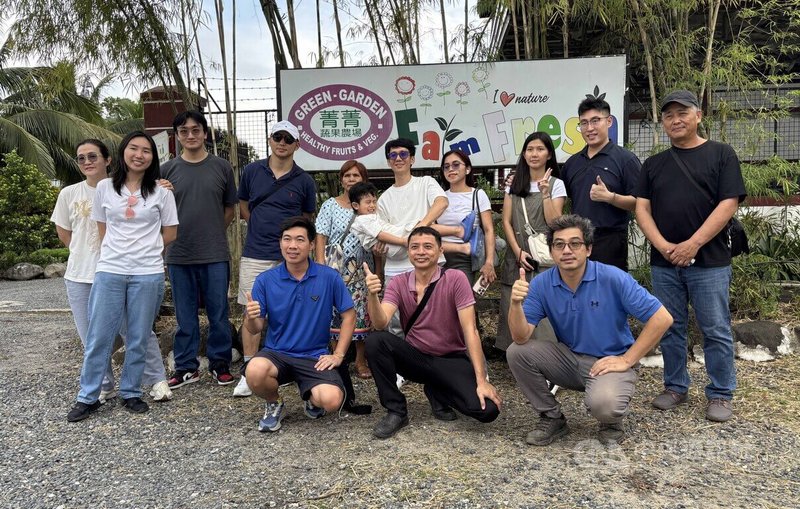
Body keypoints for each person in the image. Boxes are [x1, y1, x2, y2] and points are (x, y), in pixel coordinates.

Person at [506, 214, 673, 445]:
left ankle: (611, 422)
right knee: (517, 352)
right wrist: (515, 304)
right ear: (552, 251)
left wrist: (627, 359)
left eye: (575, 243)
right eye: (559, 244)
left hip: (610, 361)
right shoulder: (542, 284)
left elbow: (662, 318)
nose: (567, 250)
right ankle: (552, 417)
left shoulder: (612, 278)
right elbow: (520, 336)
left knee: (604, 405)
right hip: (569, 358)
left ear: (588, 249)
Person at [635, 90, 746, 423]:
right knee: (669, 326)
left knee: (715, 328)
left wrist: (692, 244)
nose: (675, 120)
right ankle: (675, 386)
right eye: (668, 115)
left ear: (698, 116)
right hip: (664, 262)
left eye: (682, 113)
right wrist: (663, 245)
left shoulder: (721, 154)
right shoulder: (653, 164)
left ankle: (721, 392)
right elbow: (642, 208)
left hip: (710, 261)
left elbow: (729, 203)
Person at [67, 131, 179, 422]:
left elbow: (170, 232)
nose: (139, 155)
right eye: (133, 148)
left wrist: (147, 249)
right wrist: (118, 252)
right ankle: (88, 396)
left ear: (153, 158)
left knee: (138, 336)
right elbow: (102, 228)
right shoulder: (105, 187)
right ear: (123, 152)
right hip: (110, 270)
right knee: (98, 335)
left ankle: (131, 392)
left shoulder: (162, 192)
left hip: (148, 273)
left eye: (146, 150)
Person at [364, 226, 502, 439]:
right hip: (415, 358)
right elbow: (381, 322)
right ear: (408, 252)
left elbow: (471, 330)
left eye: (428, 246)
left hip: (450, 359)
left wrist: (481, 379)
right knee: (375, 341)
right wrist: (372, 295)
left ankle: (438, 391)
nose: (421, 252)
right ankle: (396, 410)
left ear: (440, 251)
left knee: (487, 411)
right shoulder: (399, 282)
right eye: (415, 247)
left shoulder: (455, 278)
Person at [243, 217, 355, 432]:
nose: (292, 245)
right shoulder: (266, 280)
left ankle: (311, 397)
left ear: (311, 245)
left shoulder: (329, 277)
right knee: (254, 371)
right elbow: (255, 328)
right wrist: (250, 317)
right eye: (287, 239)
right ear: (280, 243)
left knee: (331, 400)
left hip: (314, 355)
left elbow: (349, 315)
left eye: (299, 240)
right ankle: (274, 402)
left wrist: (339, 354)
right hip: (276, 353)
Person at [234, 120, 317, 397]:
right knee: (252, 309)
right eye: (278, 137)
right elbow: (244, 206)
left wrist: (292, 244)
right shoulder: (251, 171)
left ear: (297, 145)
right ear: (270, 140)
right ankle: (249, 368)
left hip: (290, 257)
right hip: (256, 252)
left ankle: (288, 365)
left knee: (292, 309)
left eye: (288, 139)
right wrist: (259, 226)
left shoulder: (304, 180)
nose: (282, 143)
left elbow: (306, 218)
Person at [161, 111, 238, 390]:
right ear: (177, 136)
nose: (190, 135)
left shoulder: (222, 167)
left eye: (196, 130)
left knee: (218, 312)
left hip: (214, 253)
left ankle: (220, 363)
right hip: (179, 254)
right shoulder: (166, 171)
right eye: (184, 131)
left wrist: (213, 230)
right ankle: (186, 366)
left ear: (205, 133)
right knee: (185, 314)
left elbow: (229, 209)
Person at [495, 132, 566, 351]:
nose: (534, 154)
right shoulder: (514, 184)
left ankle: (546, 355)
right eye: (530, 149)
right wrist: (517, 251)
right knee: (514, 301)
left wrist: (545, 194)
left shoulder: (556, 184)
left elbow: (555, 223)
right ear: (524, 154)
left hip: (543, 257)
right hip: (517, 254)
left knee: (544, 304)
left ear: (549, 155)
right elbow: (506, 221)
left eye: (540, 149)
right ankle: (515, 354)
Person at [560, 97, 641, 270]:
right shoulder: (572, 164)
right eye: (584, 123)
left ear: (609, 121)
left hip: (611, 241)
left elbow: (640, 203)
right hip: (577, 241)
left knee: (609, 286)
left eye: (595, 121)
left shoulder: (625, 159)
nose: (589, 128)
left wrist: (611, 197)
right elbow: (559, 198)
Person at [314, 160, 374, 379]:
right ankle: (335, 356)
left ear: (363, 179)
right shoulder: (330, 205)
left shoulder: (369, 205)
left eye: (356, 175)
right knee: (334, 311)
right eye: (347, 176)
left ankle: (360, 360)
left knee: (362, 312)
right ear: (341, 180)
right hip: (336, 268)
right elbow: (321, 235)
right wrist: (320, 265)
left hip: (362, 268)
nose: (351, 179)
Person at [349, 182, 475, 260]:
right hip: (395, 243)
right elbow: (380, 235)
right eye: (368, 202)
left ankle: (465, 248)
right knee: (424, 229)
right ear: (355, 205)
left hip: (394, 244)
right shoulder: (363, 220)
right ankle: (459, 231)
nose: (372, 205)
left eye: (374, 201)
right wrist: (404, 241)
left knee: (428, 241)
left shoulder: (370, 216)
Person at [437, 149, 497, 286]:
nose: (451, 169)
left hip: (465, 258)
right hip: (438, 255)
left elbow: (489, 230)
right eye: (446, 166)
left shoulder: (478, 195)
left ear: (468, 169)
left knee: (461, 296)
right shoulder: (439, 196)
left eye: (456, 165)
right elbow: (428, 228)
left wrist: (489, 262)